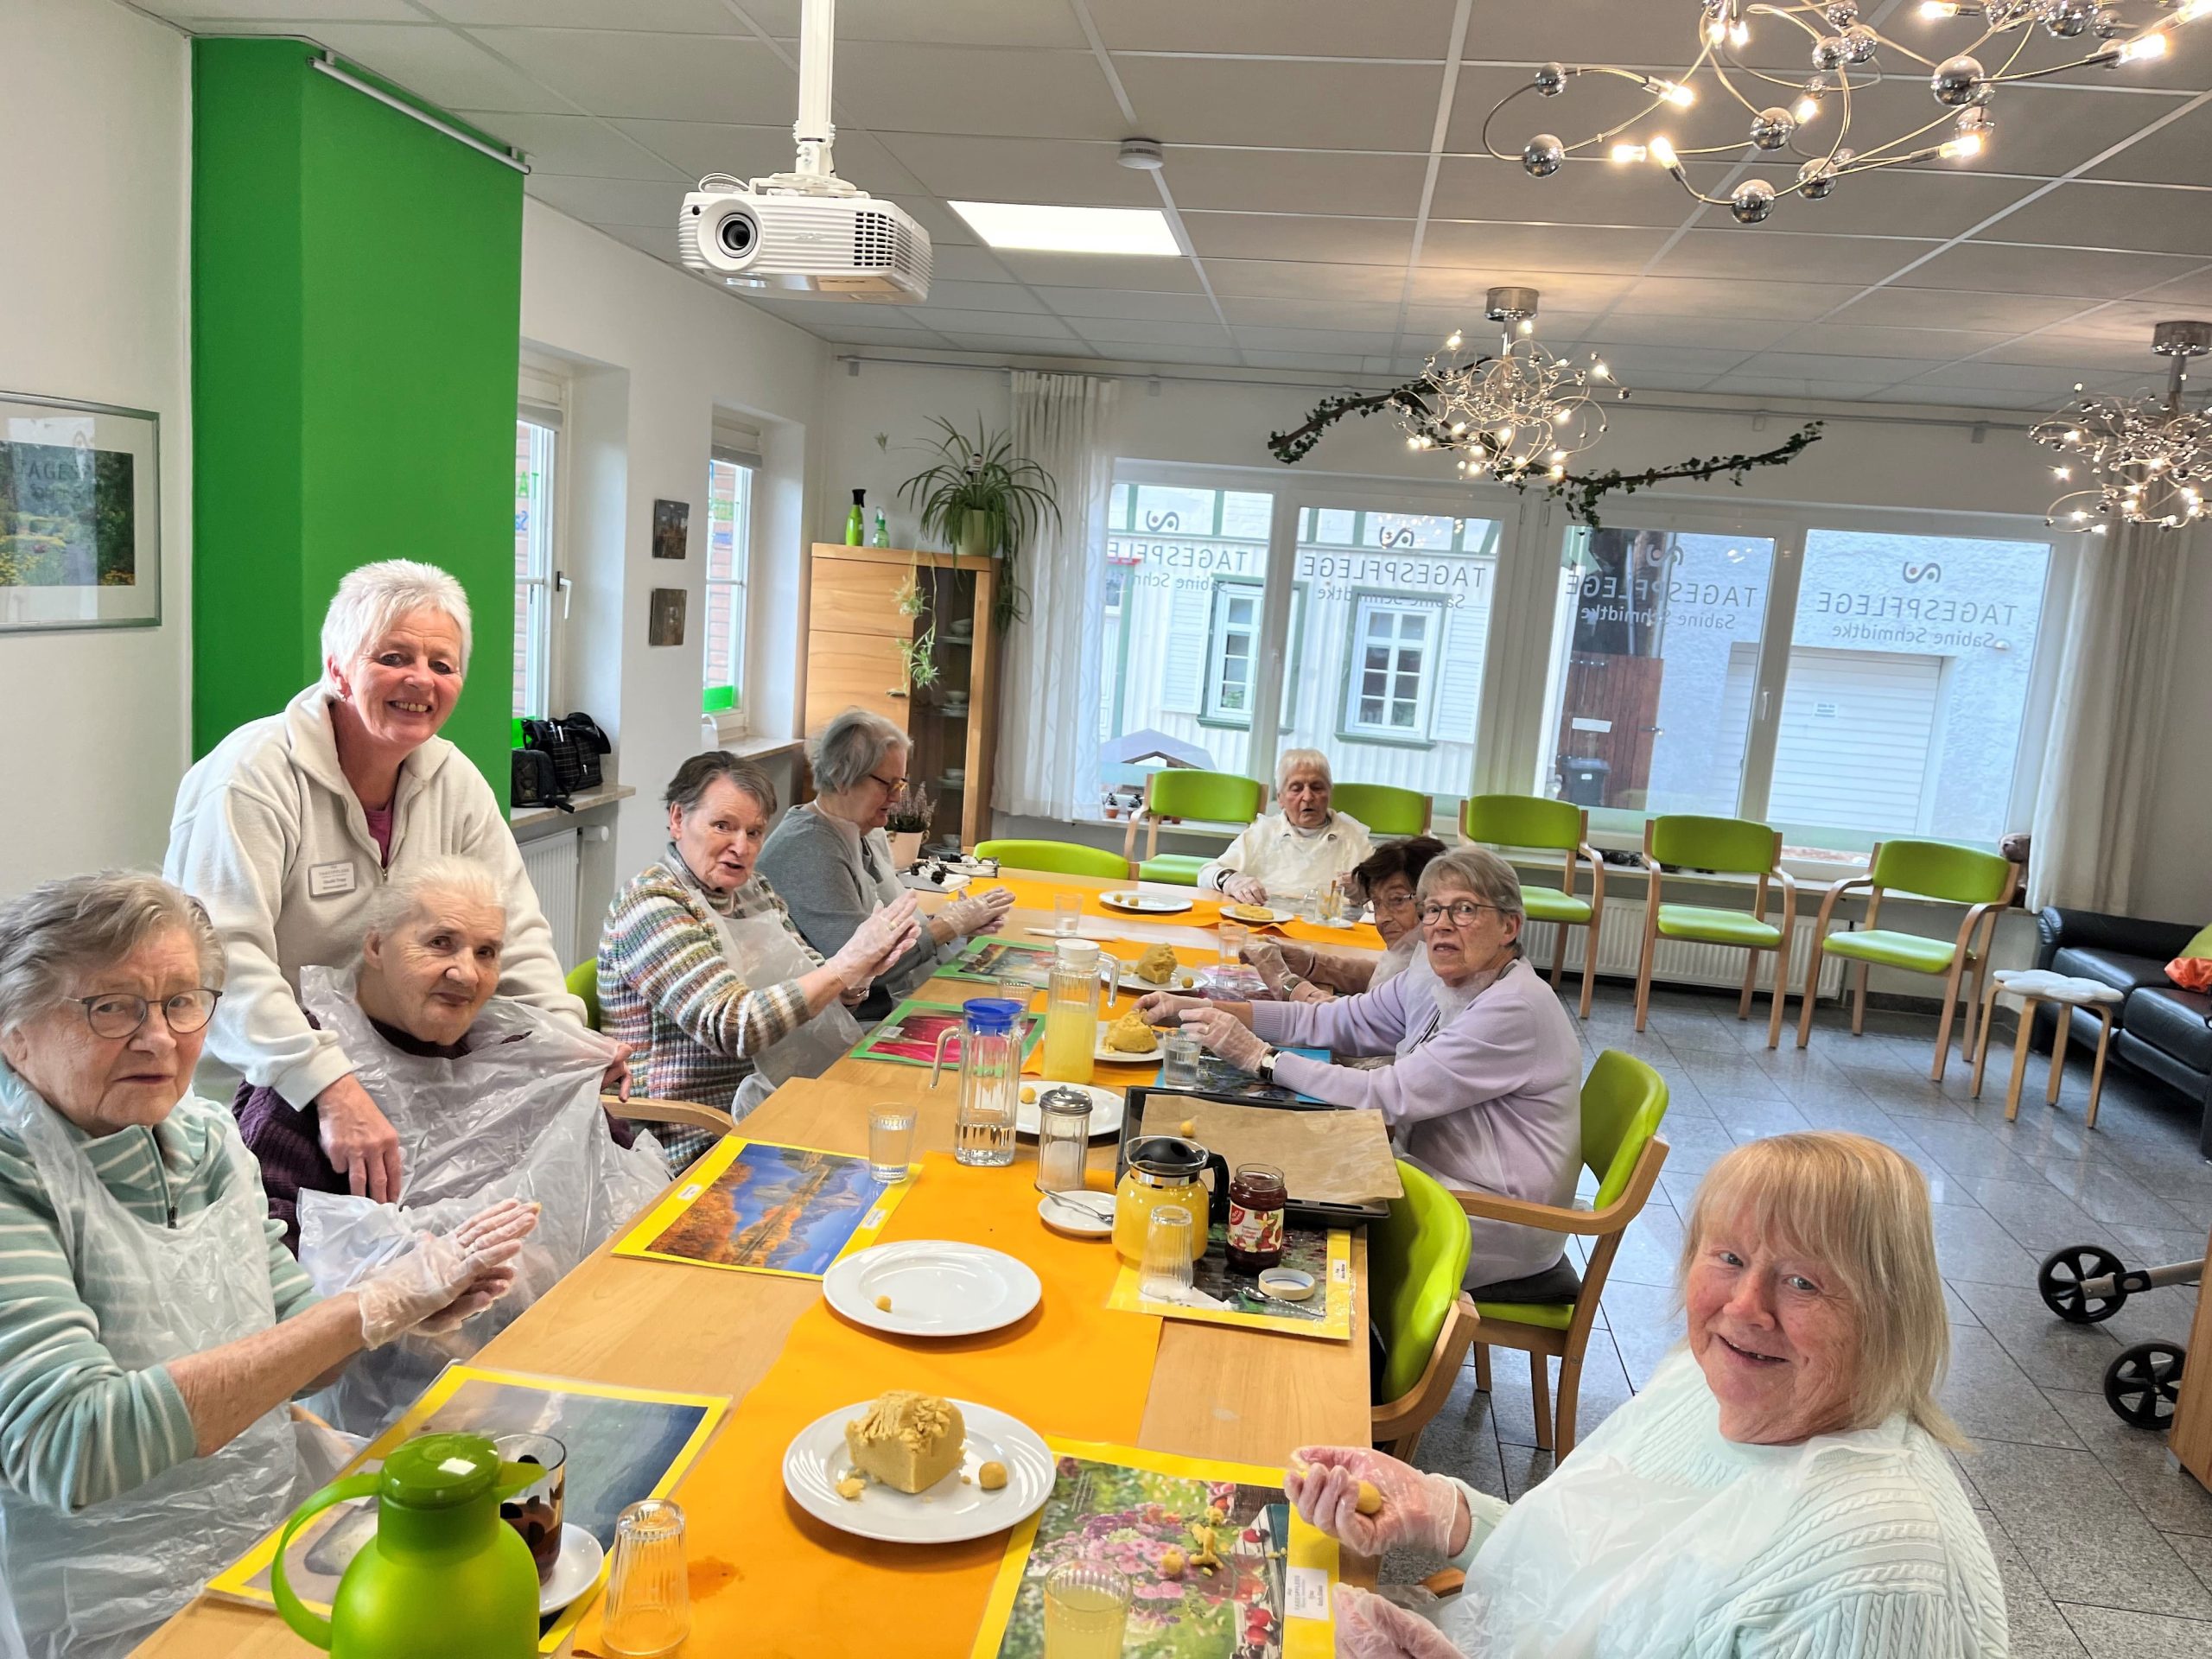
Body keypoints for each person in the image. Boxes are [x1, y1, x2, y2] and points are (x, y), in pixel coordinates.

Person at [0, 872, 537, 1659]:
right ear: (14, 1029)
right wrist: (361, 1309)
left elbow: (299, 1355)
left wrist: (406, 1304)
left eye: (183, 1000)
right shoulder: (17, 1177)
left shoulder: (207, 1141)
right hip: (107, 1605)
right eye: (110, 1007)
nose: (159, 1037)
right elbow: (69, 1446)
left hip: (263, 1529)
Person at [1287, 1132, 2007, 1659]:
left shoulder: (1876, 1578)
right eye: (1728, 1257)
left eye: (1804, 1282)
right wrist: (1447, 1513)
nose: (1746, 1308)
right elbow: (1609, 1564)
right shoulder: (1702, 1385)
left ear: (1891, 1309)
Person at [165, 559, 618, 1208]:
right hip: (263, 1102)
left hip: (397, 1082)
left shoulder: (453, 780)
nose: (420, 680)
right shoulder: (252, 777)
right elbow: (221, 962)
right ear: (338, 667)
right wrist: (328, 1084)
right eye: (394, 656)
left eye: (443, 664)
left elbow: (510, 933)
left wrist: (568, 1049)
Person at [1138, 846, 1580, 1287]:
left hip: (1492, 1220)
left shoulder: (1515, 1006)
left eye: (1464, 910)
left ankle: (1353, 1347)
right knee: (1268, 1175)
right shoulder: (1436, 971)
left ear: (1510, 926)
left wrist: (1261, 1057)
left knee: (1279, 1208)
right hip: (1427, 1176)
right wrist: (1201, 1007)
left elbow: (1386, 1096)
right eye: (1433, 911)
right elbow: (1339, 1019)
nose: (1442, 925)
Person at [602, 753, 920, 1166]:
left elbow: (814, 983)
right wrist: (842, 968)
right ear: (678, 819)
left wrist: (856, 977)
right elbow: (734, 1027)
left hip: (779, 1101)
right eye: (723, 826)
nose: (741, 846)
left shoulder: (754, 891)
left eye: (754, 832)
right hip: (698, 1136)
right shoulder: (652, 906)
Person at [757, 709, 1013, 1014]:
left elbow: (889, 930)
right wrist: (950, 925)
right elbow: (867, 966)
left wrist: (957, 921)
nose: (896, 797)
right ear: (842, 778)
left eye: (901, 784)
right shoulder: (805, 850)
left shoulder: (863, 828)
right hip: (850, 1020)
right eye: (886, 784)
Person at [1243, 836, 1446, 1004]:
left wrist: (1283, 980)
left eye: (1396, 900)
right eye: (1376, 904)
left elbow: (1355, 1024)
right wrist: (1312, 963)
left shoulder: (1442, 965)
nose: (1382, 918)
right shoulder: (1416, 947)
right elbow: (1387, 977)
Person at [1198, 748, 1374, 906]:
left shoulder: (1353, 836)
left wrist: (1365, 890)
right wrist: (1233, 881)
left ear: (1329, 794)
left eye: (1317, 787)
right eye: (1296, 789)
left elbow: (1386, 892)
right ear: (1280, 798)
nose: (1308, 797)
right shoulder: (1263, 832)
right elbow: (1207, 873)